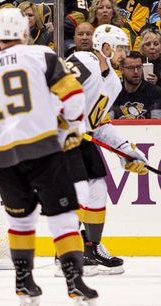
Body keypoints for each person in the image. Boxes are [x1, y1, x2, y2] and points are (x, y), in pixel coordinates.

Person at [0, 8, 98, 305]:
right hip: (43, 150)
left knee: (20, 221)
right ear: (24, 32)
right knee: (63, 218)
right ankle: (75, 283)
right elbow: (73, 96)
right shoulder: (41, 55)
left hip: (2, 158)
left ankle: (24, 283)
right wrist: (74, 126)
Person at [64, 24, 148, 275]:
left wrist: (126, 150)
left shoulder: (113, 82)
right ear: (106, 46)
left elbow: (98, 124)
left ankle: (91, 247)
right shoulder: (84, 59)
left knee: (98, 188)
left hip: (80, 137)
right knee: (78, 190)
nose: (124, 53)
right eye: (121, 47)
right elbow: (55, 86)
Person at [110, 51, 161, 119]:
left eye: (139, 67)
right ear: (121, 70)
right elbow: (108, 121)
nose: (136, 71)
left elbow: (156, 123)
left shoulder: (155, 91)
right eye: (131, 68)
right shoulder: (114, 92)